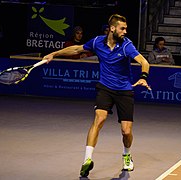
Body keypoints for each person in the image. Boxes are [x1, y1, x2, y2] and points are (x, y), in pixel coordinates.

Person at [42, 14, 151, 177]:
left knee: (126, 132)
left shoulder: (127, 45)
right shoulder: (97, 42)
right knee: (99, 119)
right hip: (105, 87)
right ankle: (87, 160)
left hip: (124, 90)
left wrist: (143, 77)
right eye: (122, 28)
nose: (125, 31)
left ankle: (126, 155)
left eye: (126, 28)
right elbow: (77, 49)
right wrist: (54, 54)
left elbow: (144, 61)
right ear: (112, 28)